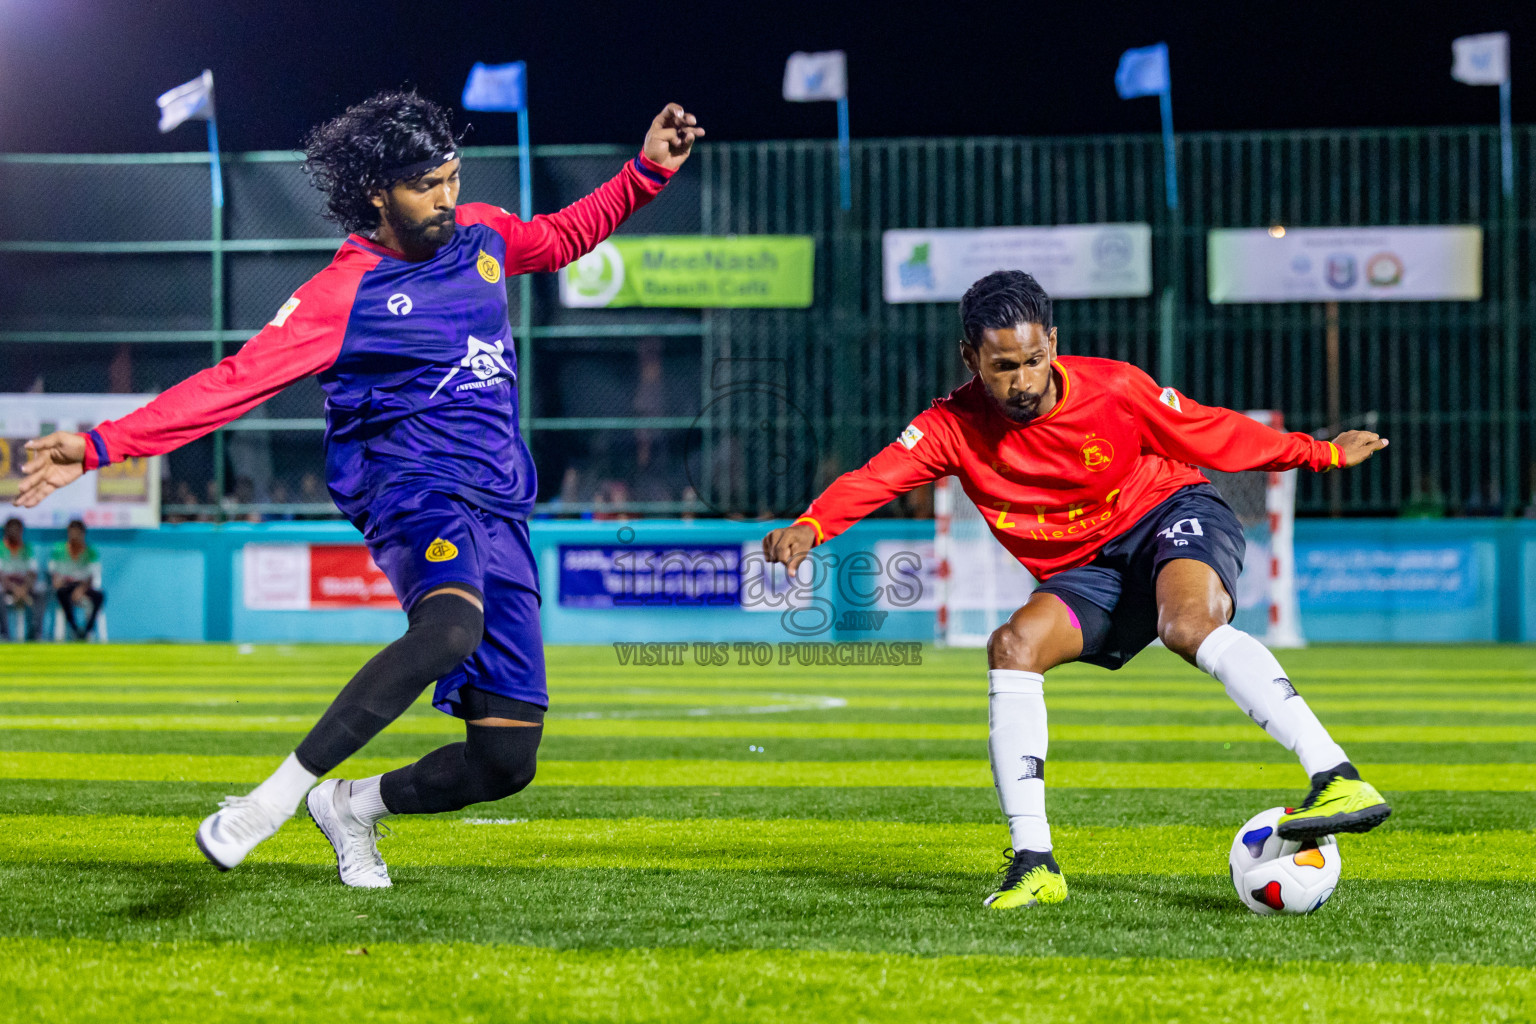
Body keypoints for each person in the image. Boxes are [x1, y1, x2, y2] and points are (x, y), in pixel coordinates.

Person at [14, 89, 702, 887]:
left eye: (451, 176)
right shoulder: (343, 294)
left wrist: (648, 171)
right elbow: (231, 384)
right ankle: (267, 804)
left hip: (502, 506)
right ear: (378, 192)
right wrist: (101, 444)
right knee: (449, 631)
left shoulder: (481, 234)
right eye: (426, 185)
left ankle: (351, 807)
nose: (446, 196)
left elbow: (559, 237)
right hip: (411, 488)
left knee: (506, 761)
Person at [761, 270, 1392, 911]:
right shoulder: (950, 426)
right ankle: (1035, 863)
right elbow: (877, 477)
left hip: (1169, 513)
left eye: (1035, 359)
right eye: (1003, 366)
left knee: (1187, 626)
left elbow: (1210, 430)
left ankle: (1336, 775)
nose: (1024, 381)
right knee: (1012, 645)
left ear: (1053, 342)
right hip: (1088, 569)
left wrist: (1321, 453)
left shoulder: (1113, 388)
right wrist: (813, 525)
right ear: (969, 357)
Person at [49, 519, 105, 640]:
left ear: (83, 534)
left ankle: (88, 630)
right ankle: (74, 629)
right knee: (62, 593)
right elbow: (54, 574)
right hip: (67, 585)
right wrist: (57, 582)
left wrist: (81, 589)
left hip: (84, 585)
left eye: (77, 533)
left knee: (99, 596)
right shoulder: (59, 549)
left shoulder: (90, 552)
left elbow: (93, 575)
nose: (74, 536)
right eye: (71, 533)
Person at [1, 517, 43, 640]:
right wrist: (14, 589)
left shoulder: (27, 548)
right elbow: (1, 574)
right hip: (6, 585)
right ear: (6, 531)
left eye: (17, 530)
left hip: (24, 585)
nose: (14, 532)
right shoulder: (1, 547)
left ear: (21, 531)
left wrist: (24, 588)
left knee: (41, 592)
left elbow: (32, 573)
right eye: (11, 529)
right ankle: (4, 634)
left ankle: (35, 634)